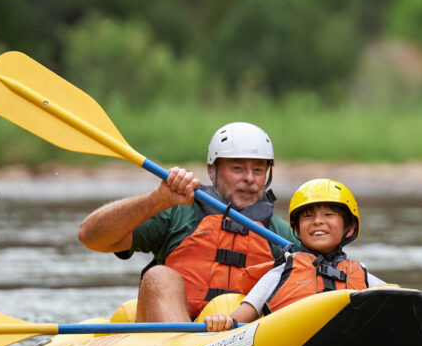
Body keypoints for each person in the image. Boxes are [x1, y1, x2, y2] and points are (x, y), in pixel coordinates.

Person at [78, 122, 296, 322]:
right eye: (237, 168)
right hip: (174, 339)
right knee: (158, 276)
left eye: (258, 170)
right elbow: (90, 236)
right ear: (212, 171)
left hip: (242, 340)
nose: (249, 178)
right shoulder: (178, 213)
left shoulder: (280, 235)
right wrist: (158, 198)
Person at [204, 177, 386, 330]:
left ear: (349, 227)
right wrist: (222, 322)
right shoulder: (281, 272)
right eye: (308, 216)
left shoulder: (362, 274)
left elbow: (398, 299)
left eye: (329, 215)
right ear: (297, 229)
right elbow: (240, 318)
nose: (317, 222)